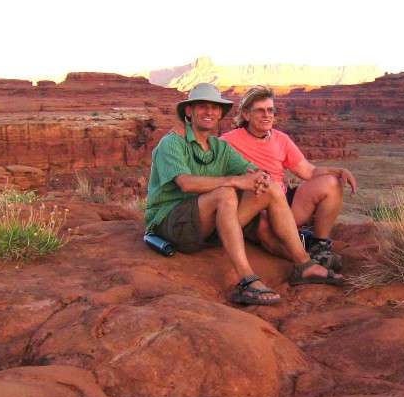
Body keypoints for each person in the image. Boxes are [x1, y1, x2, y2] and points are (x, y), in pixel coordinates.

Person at [145, 83, 344, 306]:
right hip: (172, 223)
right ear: (189, 111)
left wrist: (260, 179)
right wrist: (236, 180)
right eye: (202, 106)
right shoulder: (172, 142)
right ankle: (247, 280)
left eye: (215, 107)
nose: (209, 112)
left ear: (220, 113)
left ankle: (303, 264)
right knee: (225, 193)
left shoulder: (219, 148)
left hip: (206, 227)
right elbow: (185, 183)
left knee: (269, 187)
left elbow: (254, 171)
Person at [221, 86, 357, 269]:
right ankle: (306, 261)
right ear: (246, 115)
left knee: (331, 184)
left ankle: (319, 247)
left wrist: (337, 171)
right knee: (263, 224)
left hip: (284, 204)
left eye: (270, 110)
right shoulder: (228, 141)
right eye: (260, 111)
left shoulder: (281, 139)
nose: (267, 115)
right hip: (256, 206)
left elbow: (308, 172)